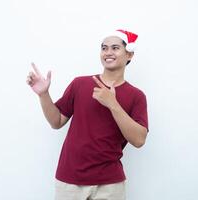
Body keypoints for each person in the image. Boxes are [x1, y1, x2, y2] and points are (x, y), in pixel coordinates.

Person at [26, 29, 149, 200]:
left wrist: (113, 104)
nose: (108, 53)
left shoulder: (136, 96)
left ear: (129, 54)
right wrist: (43, 94)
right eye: (104, 48)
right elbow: (56, 121)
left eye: (115, 48)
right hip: (70, 180)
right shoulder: (80, 84)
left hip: (110, 184)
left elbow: (139, 140)